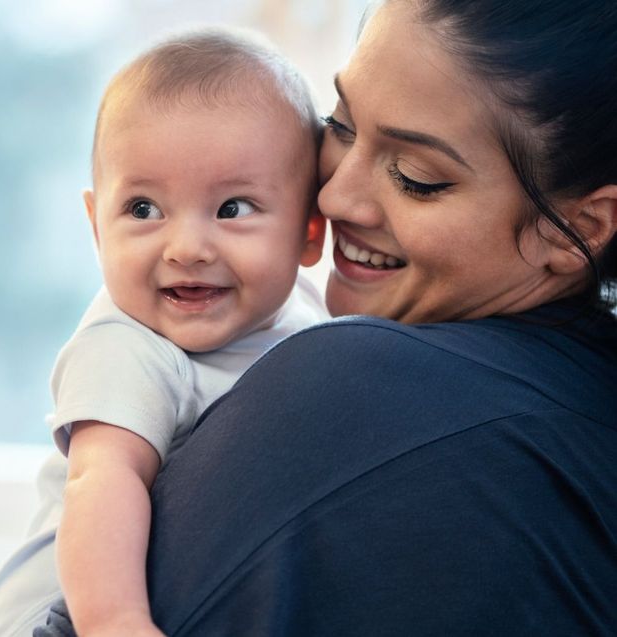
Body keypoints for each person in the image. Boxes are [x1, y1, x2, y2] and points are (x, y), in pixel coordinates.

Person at [34, 0, 617, 635]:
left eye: (416, 177)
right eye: (338, 126)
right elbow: (97, 482)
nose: (332, 195)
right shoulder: (127, 348)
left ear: (577, 230)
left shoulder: (356, 380)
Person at [0, 28, 328, 637]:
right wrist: (117, 622)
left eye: (233, 208)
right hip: (64, 618)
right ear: (95, 225)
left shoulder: (305, 308)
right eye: (143, 209)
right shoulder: (127, 347)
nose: (186, 248)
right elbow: (102, 480)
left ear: (309, 232)